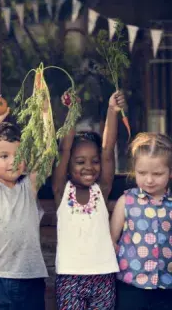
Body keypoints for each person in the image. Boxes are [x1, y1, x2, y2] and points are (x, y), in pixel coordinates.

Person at [0, 98, 48, 310]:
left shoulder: (29, 187)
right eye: (3, 155)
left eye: (18, 155)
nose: (13, 161)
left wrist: (46, 114)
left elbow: (48, 150)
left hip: (31, 279)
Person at [52, 91, 126, 309]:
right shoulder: (61, 191)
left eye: (94, 161)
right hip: (69, 278)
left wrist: (112, 111)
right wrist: (71, 113)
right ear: (69, 166)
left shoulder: (100, 191)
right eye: (80, 161)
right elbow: (64, 150)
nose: (88, 167)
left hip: (103, 276)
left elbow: (107, 151)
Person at [110, 132, 172, 310]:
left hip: (166, 286)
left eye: (158, 173)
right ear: (133, 170)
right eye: (142, 173)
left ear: (170, 173)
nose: (149, 179)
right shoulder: (127, 201)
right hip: (131, 284)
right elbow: (112, 240)